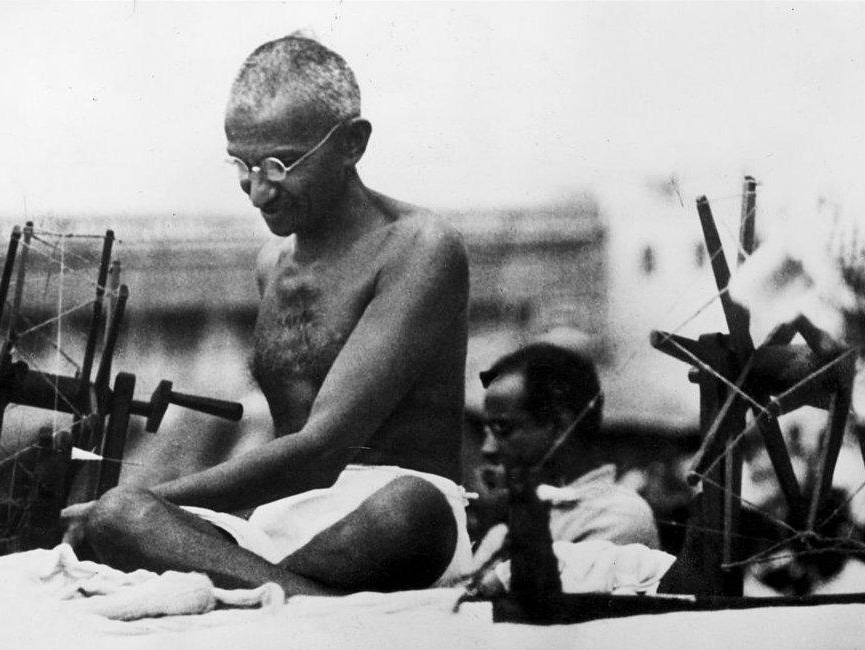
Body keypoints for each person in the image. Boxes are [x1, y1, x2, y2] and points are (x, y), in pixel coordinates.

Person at [61, 35, 473, 596]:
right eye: (243, 164)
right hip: (278, 526)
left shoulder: (420, 247)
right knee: (114, 520)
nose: (258, 192)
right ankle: (298, 596)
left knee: (409, 509)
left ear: (352, 143)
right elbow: (289, 452)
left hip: (385, 521)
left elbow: (323, 447)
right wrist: (137, 511)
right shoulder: (271, 265)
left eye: (280, 164)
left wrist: (161, 498)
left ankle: (258, 590)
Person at [476, 342, 660, 548]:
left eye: (503, 429)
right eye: (486, 432)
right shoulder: (520, 514)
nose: (487, 449)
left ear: (560, 427)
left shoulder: (615, 517)